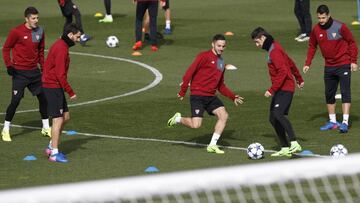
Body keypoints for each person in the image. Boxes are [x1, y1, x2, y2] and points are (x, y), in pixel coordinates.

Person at [167, 34, 244, 154]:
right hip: (198, 95)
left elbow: (220, 86)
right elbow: (189, 73)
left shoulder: (221, 63)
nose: (221, 48)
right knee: (196, 125)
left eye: (223, 46)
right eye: (219, 45)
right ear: (212, 44)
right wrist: (182, 91)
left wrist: (232, 96)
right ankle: (177, 119)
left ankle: (212, 145)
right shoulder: (203, 56)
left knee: (224, 116)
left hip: (211, 97)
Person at [303, 4, 358, 133]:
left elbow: (352, 42)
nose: (321, 20)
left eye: (323, 17)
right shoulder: (316, 30)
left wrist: (353, 61)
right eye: (319, 18)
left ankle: (344, 122)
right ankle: (333, 122)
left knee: (345, 92)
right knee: (329, 93)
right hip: (329, 66)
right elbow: (312, 46)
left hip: (343, 64)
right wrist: (307, 63)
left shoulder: (340, 27)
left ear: (328, 15)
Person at [251, 27, 304, 157]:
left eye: (257, 42)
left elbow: (283, 71)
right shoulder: (274, 47)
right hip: (281, 88)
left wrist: (271, 89)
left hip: (285, 88)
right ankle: (285, 147)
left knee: (278, 114)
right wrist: (299, 78)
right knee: (272, 118)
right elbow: (290, 62)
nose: (257, 45)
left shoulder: (274, 51)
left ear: (263, 38)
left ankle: (294, 143)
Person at [1, 7, 51, 142]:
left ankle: (46, 128)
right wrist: (9, 66)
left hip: (35, 72)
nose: (36, 20)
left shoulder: (40, 31)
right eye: (33, 18)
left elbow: (41, 51)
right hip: (20, 73)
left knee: (43, 98)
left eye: (37, 18)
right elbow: (6, 49)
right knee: (15, 101)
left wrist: (44, 67)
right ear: (26, 19)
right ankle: (5, 129)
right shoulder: (16, 32)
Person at [42, 23, 80, 163]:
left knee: (66, 116)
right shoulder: (61, 48)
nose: (78, 39)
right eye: (77, 36)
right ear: (70, 35)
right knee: (58, 119)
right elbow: (59, 74)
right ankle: (54, 154)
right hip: (53, 86)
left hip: (54, 85)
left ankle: (51, 145)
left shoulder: (61, 45)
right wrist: (70, 91)